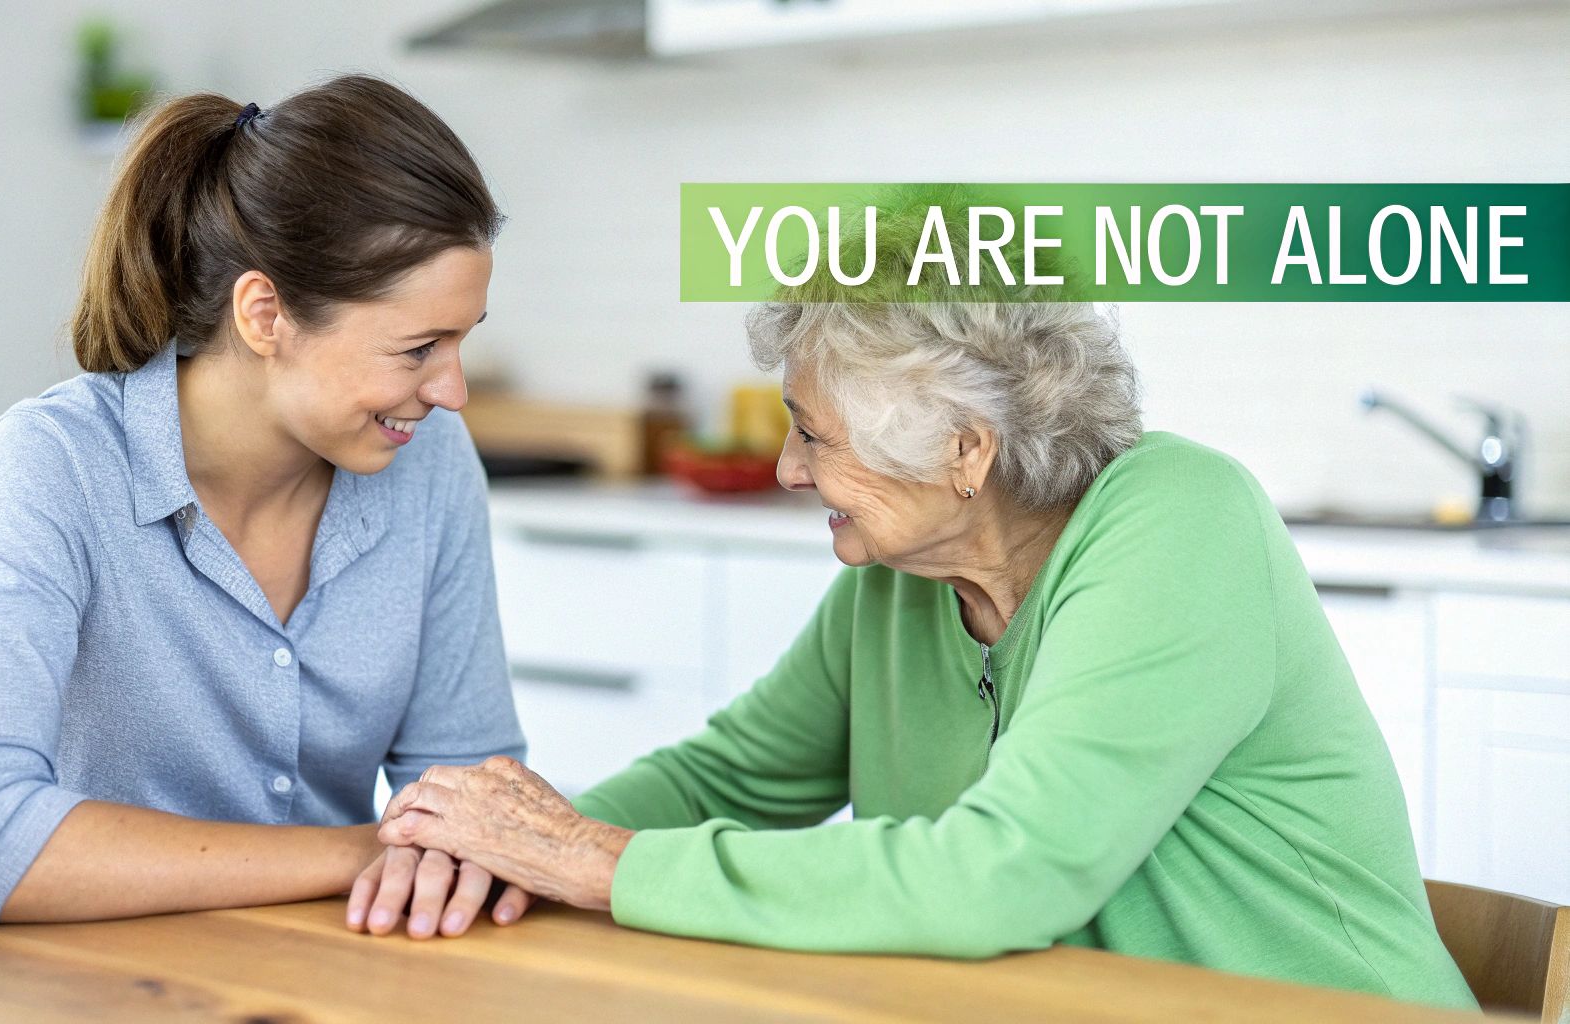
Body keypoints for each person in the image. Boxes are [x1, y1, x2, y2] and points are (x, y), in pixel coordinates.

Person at [357, 195, 1479, 1009]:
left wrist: (595, 862)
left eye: (814, 435)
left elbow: (1002, 876)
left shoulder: (1178, 522)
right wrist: (495, 853)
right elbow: (720, 780)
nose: (789, 472)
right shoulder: (900, 583)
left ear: (961, 450)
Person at [0, 74, 534, 938]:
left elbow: (475, 803)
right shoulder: (52, 468)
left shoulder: (428, 464)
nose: (453, 390)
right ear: (264, 313)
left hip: (333, 978)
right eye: (420, 347)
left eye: (463, 339)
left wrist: (464, 847)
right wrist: (359, 853)